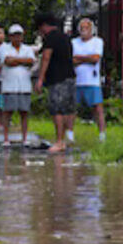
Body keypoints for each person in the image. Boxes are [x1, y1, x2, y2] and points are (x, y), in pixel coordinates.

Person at [35, 12, 76, 153]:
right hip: (70, 77)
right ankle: (64, 139)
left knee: (57, 109)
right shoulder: (65, 37)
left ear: (44, 26)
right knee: (67, 109)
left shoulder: (51, 38)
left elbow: (46, 57)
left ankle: (59, 141)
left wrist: (40, 78)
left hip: (57, 79)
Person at [70, 18, 106, 142]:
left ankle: (102, 135)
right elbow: (71, 60)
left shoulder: (98, 41)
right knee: (72, 109)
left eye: (87, 28)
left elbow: (95, 58)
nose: (84, 30)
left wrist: (79, 58)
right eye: (82, 28)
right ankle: (69, 134)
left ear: (92, 29)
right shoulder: (74, 42)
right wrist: (87, 58)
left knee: (98, 108)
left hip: (93, 81)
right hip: (77, 80)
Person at [0, 24, 35, 147]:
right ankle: (6, 138)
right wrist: (22, 61)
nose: (17, 38)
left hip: (24, 85)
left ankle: (24, 138)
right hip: (9, 85)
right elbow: (7, 61)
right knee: (7, 112)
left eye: (19, 35)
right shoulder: (4, 48)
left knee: (24, 113)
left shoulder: (28, 49)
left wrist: (16, 60)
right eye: (14, 36)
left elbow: (31, 61)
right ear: (10, 37)